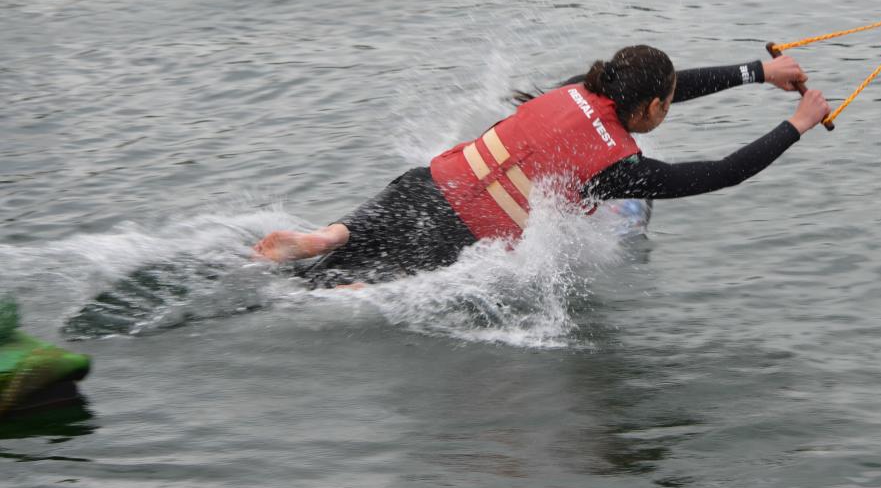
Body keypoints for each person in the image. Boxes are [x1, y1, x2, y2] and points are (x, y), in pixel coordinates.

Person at [253, 45, 830, 286]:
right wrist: (798, 124)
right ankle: (347, 284)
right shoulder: (620, 169)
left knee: (347, 238)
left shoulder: (577, 88)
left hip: (424, 187)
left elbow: (670, 85)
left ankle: (327, 235)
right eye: (667, 101)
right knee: (344, 287)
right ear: (654, 107)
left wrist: (759, 72)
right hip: (462, 232)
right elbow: (725, 172)